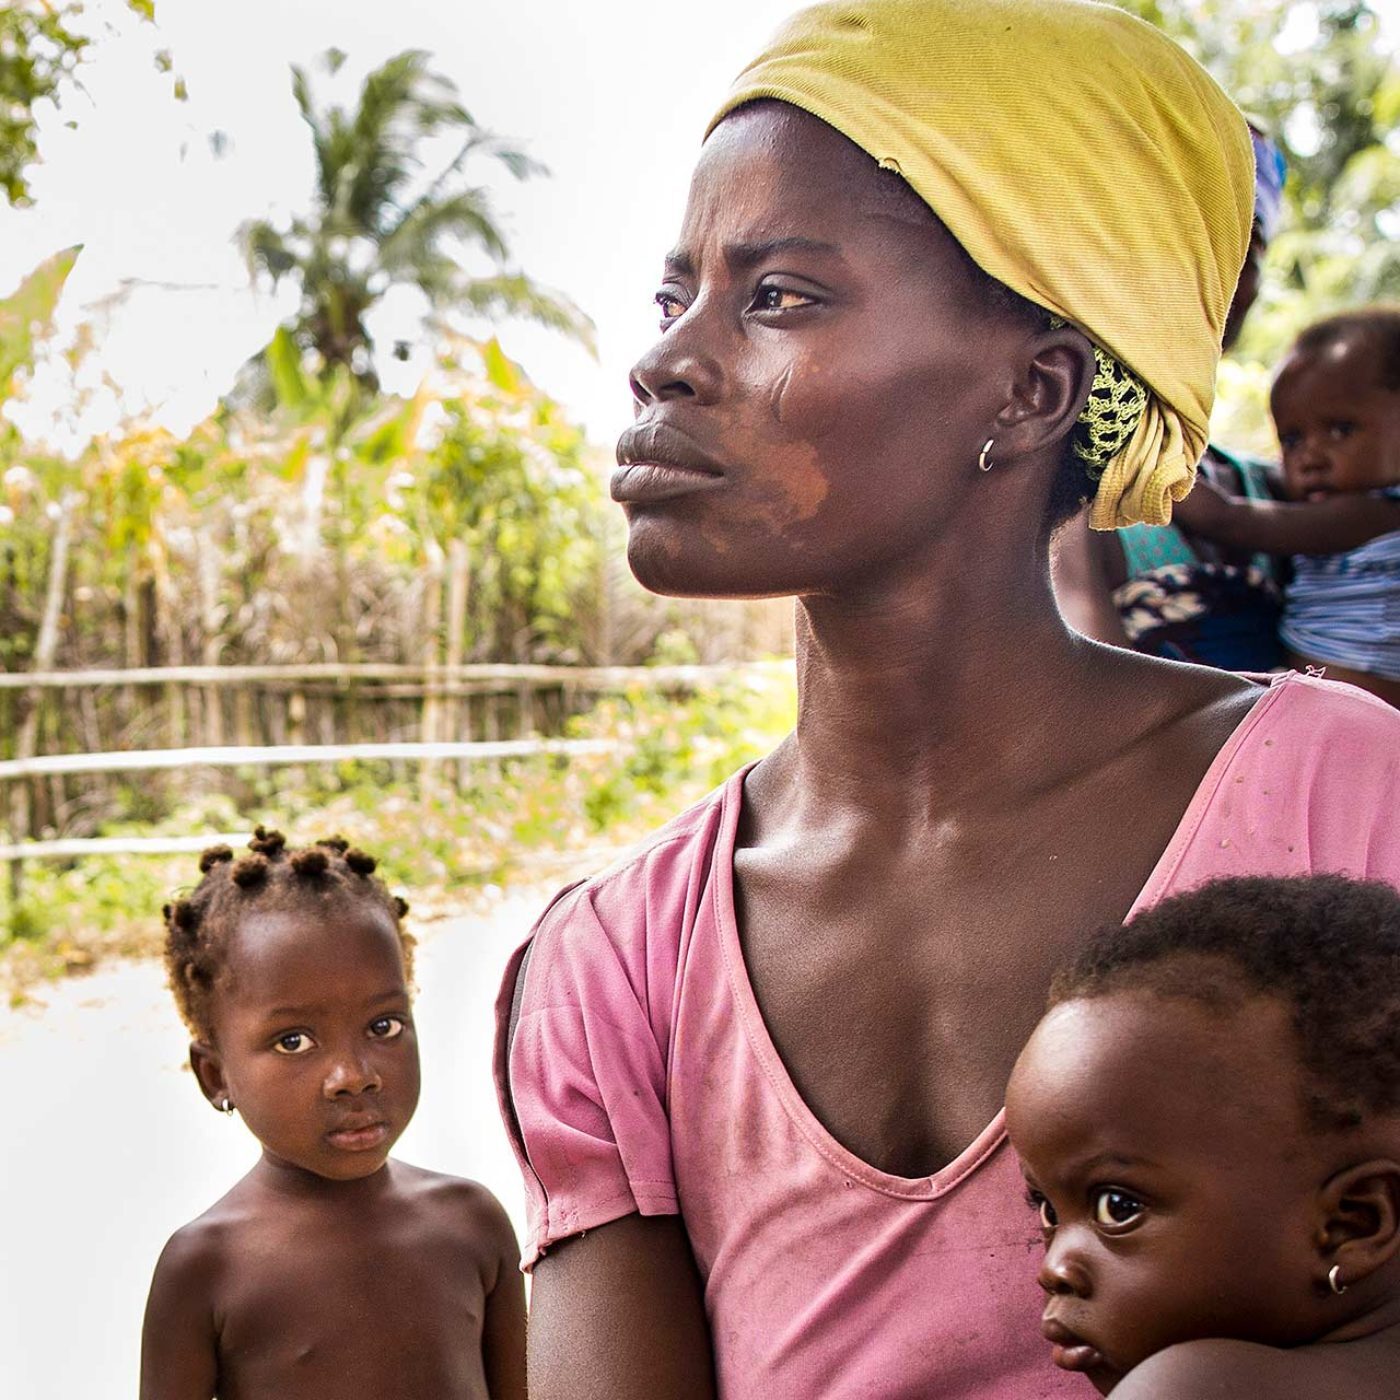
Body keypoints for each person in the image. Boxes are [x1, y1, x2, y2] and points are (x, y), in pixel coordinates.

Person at [493, 3, 1400, 1396]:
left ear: (1034, 391)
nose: (665, 358)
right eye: (673, 294)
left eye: (776, 296)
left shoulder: (1343, 799)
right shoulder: (616, 968)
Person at [141, 829, 525, 1400]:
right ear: (216, 1076)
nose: (354, 1074)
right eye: (294, 1041)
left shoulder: (472, 1224)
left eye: (383, 1026)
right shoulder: (204, 1269)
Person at [1006, 874, 1400, 1397]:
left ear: (1352, 1224)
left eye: (1117, 1207)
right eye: (1050, 1213)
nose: (1054, 1269)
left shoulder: (1195, 1388)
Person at [1052, 122, 1290, 670]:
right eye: (1192, 232)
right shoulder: (1073, 485)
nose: (1215, 265)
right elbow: (1088, 676)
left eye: (1245, 240)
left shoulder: (1275, 489)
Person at [1171, 308, 1400, 707]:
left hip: (1354, 716)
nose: (1310, 457)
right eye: (1292, 440)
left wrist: (1155, 465)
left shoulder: (1375, 515)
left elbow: (1228, 520)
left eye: (1340, 429)